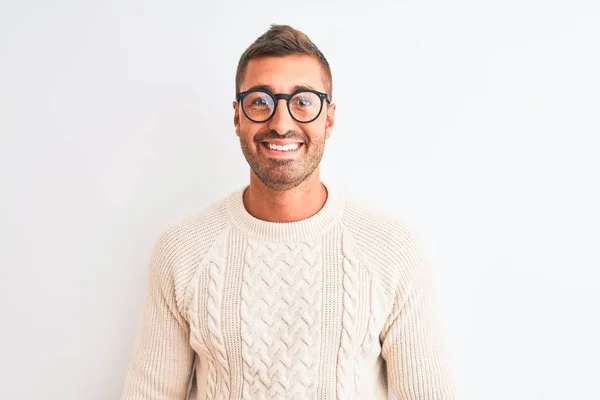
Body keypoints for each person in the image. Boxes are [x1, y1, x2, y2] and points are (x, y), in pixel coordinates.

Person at [121, 24, 456, 400]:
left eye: (303, 101)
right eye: (261, 101)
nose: (281, 123)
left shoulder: (393, 250)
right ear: (237, 117)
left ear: (328, 119)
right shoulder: (182, 250)